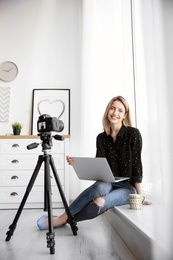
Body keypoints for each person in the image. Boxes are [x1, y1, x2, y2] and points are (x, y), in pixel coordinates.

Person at [37, 95, 149, 230]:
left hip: (127, 187)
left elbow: (137, 165)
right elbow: (99, 168)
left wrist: (139, 195)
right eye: (112, 108)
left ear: (125, 115)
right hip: (107, 182)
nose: (115, 113)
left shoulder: (133, 134)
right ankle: (62, 219)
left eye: (120, 110)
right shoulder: (101, 138)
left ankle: (62, 219)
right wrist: (77, 164)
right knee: (99, 188)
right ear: (108, 110)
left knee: (99, 202)